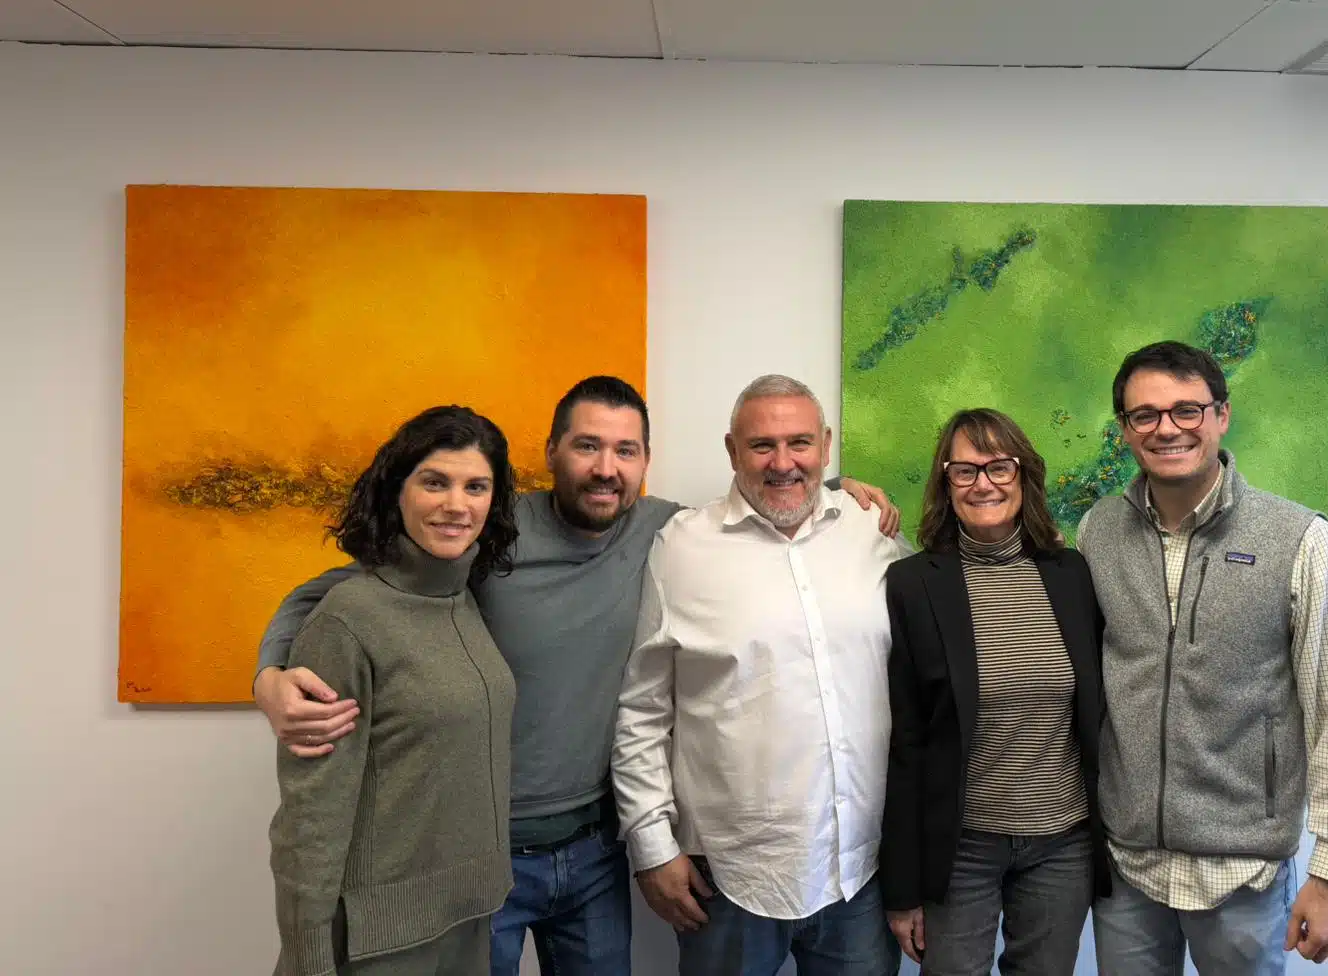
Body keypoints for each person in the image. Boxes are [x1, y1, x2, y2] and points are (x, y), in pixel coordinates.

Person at [254, 376, 898, 976]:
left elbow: (775, 490)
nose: (605, 468)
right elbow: (353, 591)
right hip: (485, 852)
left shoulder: (666, 532)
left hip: (594, 851)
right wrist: (270, 674)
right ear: (552, 452)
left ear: (645, 461)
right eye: (587, 446)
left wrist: (840, 489)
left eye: (625, 450)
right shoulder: (496, 530)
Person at [1079, 342, 1328, 975]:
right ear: (1125, 429)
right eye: (1145, 415)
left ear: (1221, 415)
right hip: (1127, 867)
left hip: (1245, 874)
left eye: (1186, 409)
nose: (1167, 428)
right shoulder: (1096, 533)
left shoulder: (1300, 539)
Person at [612, 375, 908, 976]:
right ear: (732, 450)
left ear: (826, 445)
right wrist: (651, 847)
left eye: (799, 442)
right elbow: (643, 710)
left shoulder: (873, 532)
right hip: (728, 878)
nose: (783, 462)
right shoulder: (682, 547)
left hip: (860, 873)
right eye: (761, 445)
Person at [268, 405, 518, 976]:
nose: (456, 505)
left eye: (475, 487)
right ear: (396, 491)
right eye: (435, 482)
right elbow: (311, 814)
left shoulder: (464, 598)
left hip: (468, 916)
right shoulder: (347, 620)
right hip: (380, 938)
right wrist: (308, 956)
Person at [879, 408, 1110, 976]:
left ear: (1024, 475)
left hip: (1062, 842)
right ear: (946, 483)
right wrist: (902, 889)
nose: (983, 484)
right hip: (961, 847)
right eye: (965, 470)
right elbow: (905, 743)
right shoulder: (912, 584)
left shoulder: (1071, 574)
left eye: (999, 467)